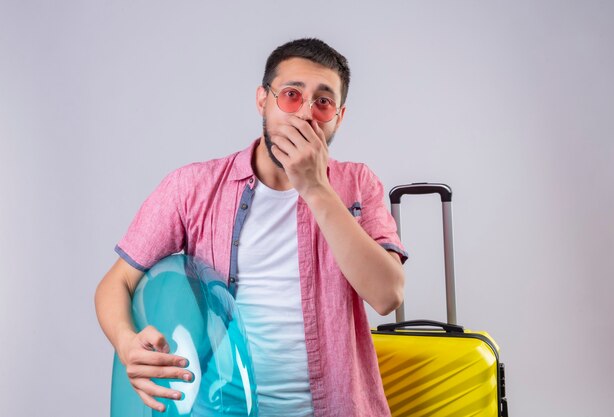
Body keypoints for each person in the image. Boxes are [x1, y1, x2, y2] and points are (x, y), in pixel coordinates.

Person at [95, 38, 408, 417]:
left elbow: (387, 294)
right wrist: (128, 344)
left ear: (339, 117)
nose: (306, 114)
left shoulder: (359, 184)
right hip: (220, 408)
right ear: (263, 99)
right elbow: (117, 283)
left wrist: (315, 188)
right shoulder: (192, 187)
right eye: (291, 95)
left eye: (323, 102)